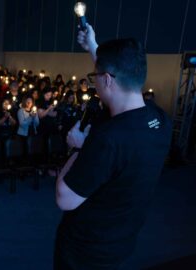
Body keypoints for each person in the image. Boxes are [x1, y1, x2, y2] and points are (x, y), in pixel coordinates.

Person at [54, 24, 172, 269]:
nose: (93, 83)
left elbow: (64, 199)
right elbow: (117, 76)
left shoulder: (108, 139)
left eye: (94, 77)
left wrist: (78, 148)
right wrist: (93, 47)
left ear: (107, 79)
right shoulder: (160, 119)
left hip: (84, 251)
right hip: (121, 241)